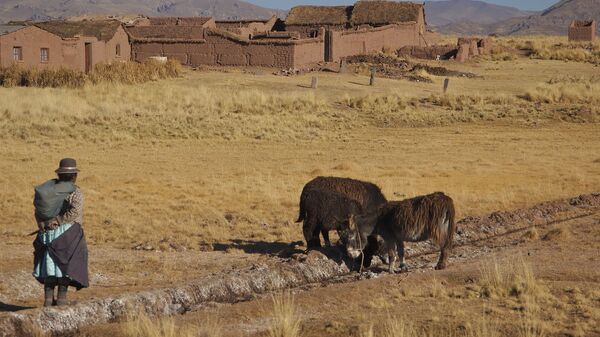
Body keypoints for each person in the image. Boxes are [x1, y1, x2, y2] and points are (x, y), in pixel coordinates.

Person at [33, 158, 89, 307]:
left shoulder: (48, 191)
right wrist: (59, 220)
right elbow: (76, 211)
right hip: (67, 233)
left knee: (49, 265)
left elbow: (38, 210)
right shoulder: (75, 191)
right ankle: (62, 300)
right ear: (74, 176)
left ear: (59, 174)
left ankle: (48, 300)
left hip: (47, 233)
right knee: (66, 264)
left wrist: (43, 224)